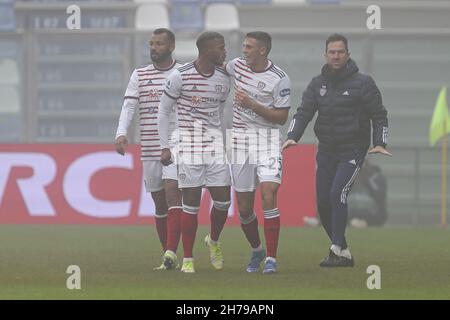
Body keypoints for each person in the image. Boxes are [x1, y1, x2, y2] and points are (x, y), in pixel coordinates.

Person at [283, 33, 391, 267]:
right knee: (323, 203)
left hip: (352, 150)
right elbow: (304, 113)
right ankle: (343, 251)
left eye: (340, 52)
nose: (336, 56)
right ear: (325, 55)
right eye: (332, 52)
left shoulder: (363, 83)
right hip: (326, 151)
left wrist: (380, 142)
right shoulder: (317, 84)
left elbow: (379, 115)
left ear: (348, 55)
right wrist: (292, 136)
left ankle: (335, 249)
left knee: (337, 194)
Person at [158, 31, 231, 273]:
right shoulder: (180, 76)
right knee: (191, 203)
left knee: (223, 201)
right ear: (207, 50)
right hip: (188, 147)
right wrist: (165, 145)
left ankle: (214, 240)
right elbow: (163, 112)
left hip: (214, 148)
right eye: (221, 47)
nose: (224, 51)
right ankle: (188, 259)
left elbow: (219, 113)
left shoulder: (223, 78)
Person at [115, 28, 183, 271]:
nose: (154, 48)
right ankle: (168, 256)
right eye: (151, 43)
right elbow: (128, 107)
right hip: (150, 147)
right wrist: (121, 133)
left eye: (159, 44)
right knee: (159, 203)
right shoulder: (140, 75)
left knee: (173, 194)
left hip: (176, 147)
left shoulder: (182, 73)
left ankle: (172, 252)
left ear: (171, 46)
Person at [225, 31, 291, 274]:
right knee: (243, 208)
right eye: (244, 46)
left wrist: (252, 104)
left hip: (268, 142)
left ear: (263, 50)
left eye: (250, 47)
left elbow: (282, 118)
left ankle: (272, 259)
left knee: (268, 194)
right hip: (240, 143)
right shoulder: (236, 66)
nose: (244, 50)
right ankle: (257, 250)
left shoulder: (279, 78)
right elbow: (217, 68)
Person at [347, 159, 387, 227]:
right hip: (350, 212)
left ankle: (361, 223)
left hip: (371, 213)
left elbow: (380, 195)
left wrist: (366, 178)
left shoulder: (375, 175)